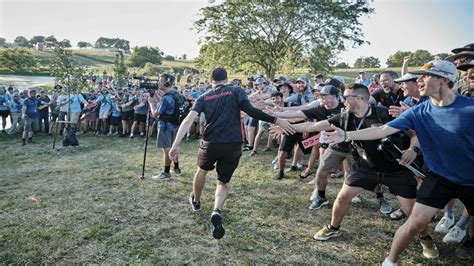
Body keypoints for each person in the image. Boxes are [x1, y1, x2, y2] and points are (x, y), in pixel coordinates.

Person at [323, 60, 474, 264]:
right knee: (413, 223)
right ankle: (390, 261)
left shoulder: (470, 108)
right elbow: (382, 130)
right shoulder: (418, 111)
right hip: (440, 178)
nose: (418, 80)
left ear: (444, 80)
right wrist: (347, 135)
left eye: (424, 76)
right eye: (417, 76)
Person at [168, 67, 292, 239]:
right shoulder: (236, 91)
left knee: (201, 171)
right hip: (233, 143)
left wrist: (176, 144)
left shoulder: (204, 97)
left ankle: (196, 202)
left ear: (211, 80)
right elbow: (251, 111)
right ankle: (216, 210)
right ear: (226, 79)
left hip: (211, 142)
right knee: (222, 181)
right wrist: (277, 119)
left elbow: (189, 120)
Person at [149, 73, 182, 181]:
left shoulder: (166, 98)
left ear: (166, 83)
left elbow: (155, 114)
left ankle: (166, 173)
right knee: (173, 147)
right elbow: (165, 103)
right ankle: (176, 168)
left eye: (160, 80)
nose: (158, 82)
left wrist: (150, 103)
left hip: (165, 126)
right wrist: (156, 96)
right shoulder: (174, 94)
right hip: (174, 125)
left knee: (167, 149)